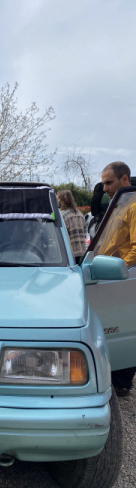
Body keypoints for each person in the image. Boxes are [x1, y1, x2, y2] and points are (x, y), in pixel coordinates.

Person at [100, 161, 136, 396]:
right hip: (108, 274)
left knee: (122, 325)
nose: (104, 188)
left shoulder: (133, 206)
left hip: (122, 276)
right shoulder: (119, 205)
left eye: (108, 182)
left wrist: (120, 268)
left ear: (125, 179)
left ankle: (122, 381)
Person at [57, 189, 87, 264]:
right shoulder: (80, 214)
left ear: (62, 200)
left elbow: (61, 236)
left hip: (70, 253)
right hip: (82, 251)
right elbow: (85, 232)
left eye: (58, 198)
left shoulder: (63, 215)